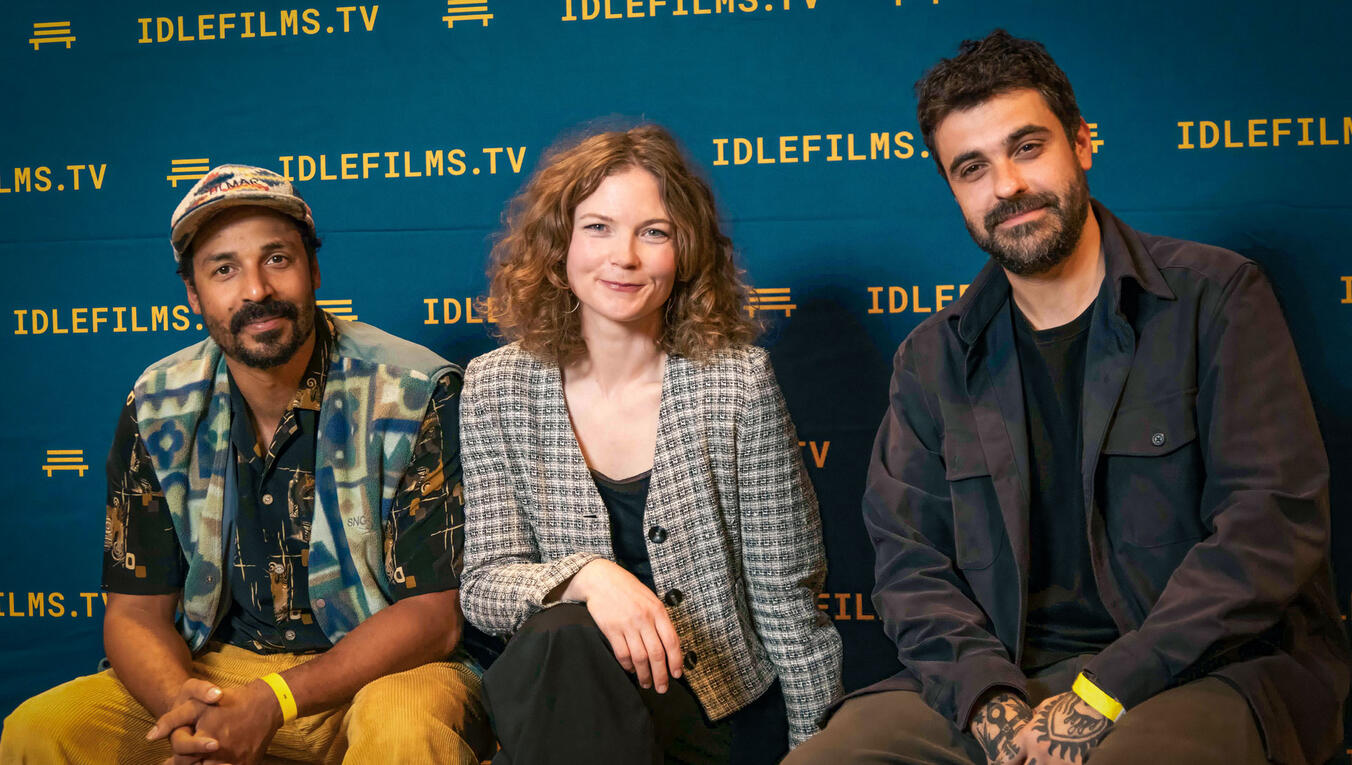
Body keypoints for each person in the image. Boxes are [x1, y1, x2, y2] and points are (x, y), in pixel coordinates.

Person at [786, 30, 1349, 765]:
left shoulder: (1216, 298)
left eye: (1027, 147)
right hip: (1006, 676)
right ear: (953, 190)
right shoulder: (931, 360)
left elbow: (1267, 530)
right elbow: (909, 567)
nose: (1007, 186)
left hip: (1206, 668)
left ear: (1082, 143)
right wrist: (991, 704)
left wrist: (1102, 691)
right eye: (972, 168)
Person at [0, 164, 494, 765]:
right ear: (194, 294)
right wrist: (186, 708)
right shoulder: (159, 402)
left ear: (313, 269)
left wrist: (275, 700)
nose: (255, 290)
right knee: (43, 729)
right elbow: (134, 613)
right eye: (224, 269)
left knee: (405, 728)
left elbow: (432, 618)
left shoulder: (413, 388)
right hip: (224, 670)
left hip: (384, 670)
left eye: (277, 259)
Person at [459, 124, 843, 764]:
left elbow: (787, 599)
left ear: (686, 252)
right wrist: (589, 577)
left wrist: (813, 749)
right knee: (564, 633)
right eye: (598, 228)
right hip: (569, 708)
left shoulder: (736, 385)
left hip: (715, 712)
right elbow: (485, 588)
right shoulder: (496, 386)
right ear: (559, 247)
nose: (625, 257)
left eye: (654, 232)